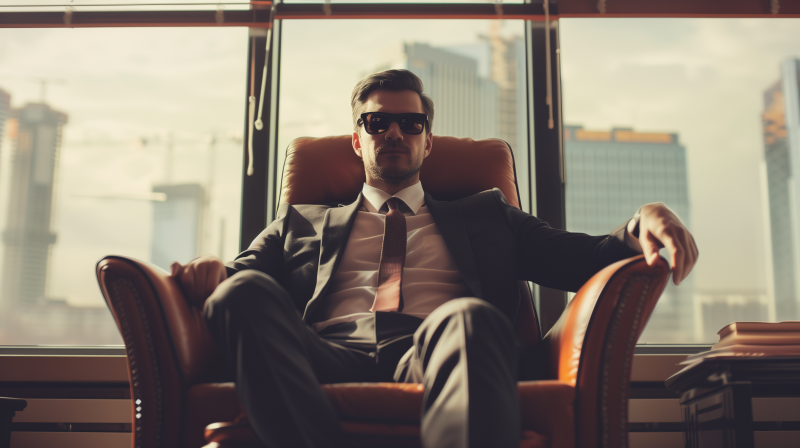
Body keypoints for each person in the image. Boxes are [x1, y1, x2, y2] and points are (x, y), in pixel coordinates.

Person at [171, 69, 698, 448]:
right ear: (357, 141)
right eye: (378, 123)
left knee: (468, 317)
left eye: (410, 123)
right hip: (323, 355)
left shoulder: (489, 215)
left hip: (440, 351)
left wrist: (642, 221)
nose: (395, 133)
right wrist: (212, 271)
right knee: (239, 294)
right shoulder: (301, 222)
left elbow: (585, 259)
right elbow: (238, 284)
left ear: (428, 142)